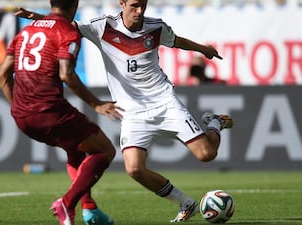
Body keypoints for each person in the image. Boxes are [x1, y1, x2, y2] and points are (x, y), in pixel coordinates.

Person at [16, 0, 234, 222]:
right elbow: (65, 25)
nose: (139, 11)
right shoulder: (102, 26)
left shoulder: (157, 27)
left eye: (143, 5)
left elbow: (178, 41)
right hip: (132, 112)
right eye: (134, 5)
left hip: (164, 102)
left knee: (206, 154)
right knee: (134, 169)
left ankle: (215, 122)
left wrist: (204, 50)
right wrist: (39, 17)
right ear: (122, 3)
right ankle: (185, 203)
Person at [0, 0, 123, 224]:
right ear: (75, 4)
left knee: (75, 150)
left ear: (50, 2)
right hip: (50, 111)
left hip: (21, 115)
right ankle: (66, 203)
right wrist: (95, 103)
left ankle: (90, 210)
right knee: (105, 150)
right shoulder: (67, 32)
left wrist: (18, 106)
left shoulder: (26, 31)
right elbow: (67, 74)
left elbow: (2, 74)